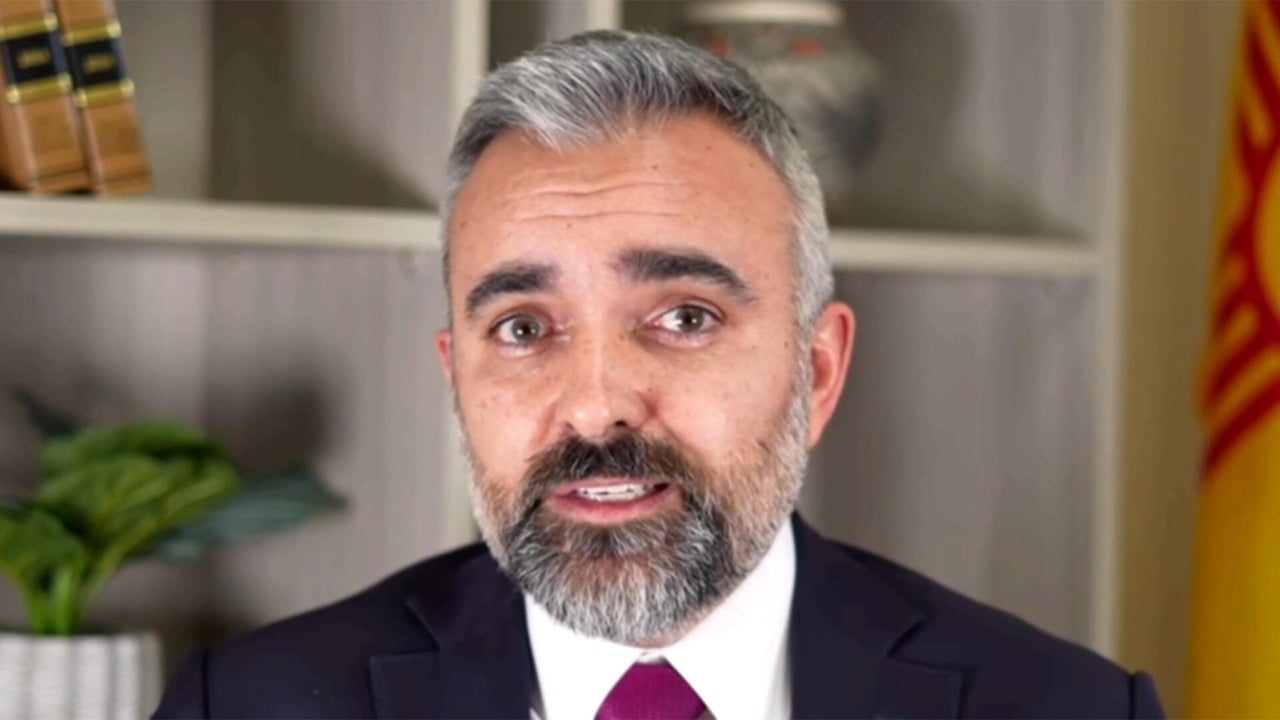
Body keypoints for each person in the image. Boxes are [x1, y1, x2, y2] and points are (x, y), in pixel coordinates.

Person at [154, 30, 1164, 719]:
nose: (596, 405)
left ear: (816, 371)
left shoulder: (1065, 709)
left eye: (684, 317)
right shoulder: (246, 707)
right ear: (455, 377)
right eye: (522, 327)